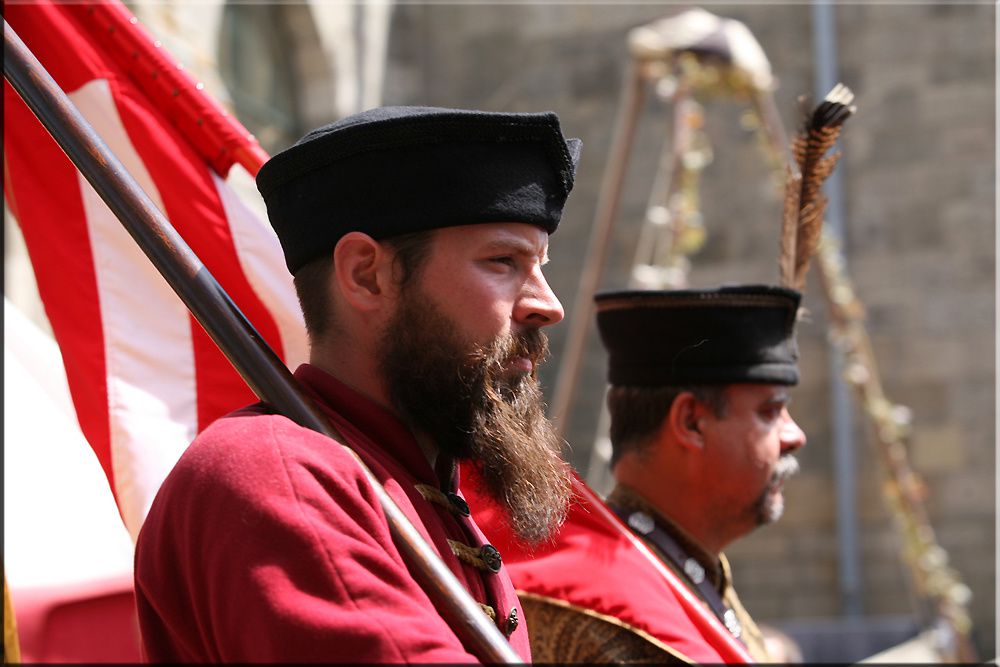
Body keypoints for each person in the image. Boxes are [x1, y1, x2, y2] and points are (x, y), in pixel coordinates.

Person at [133, 106, 582, 662]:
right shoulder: (276, 474)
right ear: (367, 274)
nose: (549, 305)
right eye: (503, 261)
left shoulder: (419, 486)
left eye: (540, 266)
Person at [470, 284, 807, 663]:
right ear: (692, 422)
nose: (796, 436)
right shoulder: (602, 608)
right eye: (770, 412)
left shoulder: (690, 564)